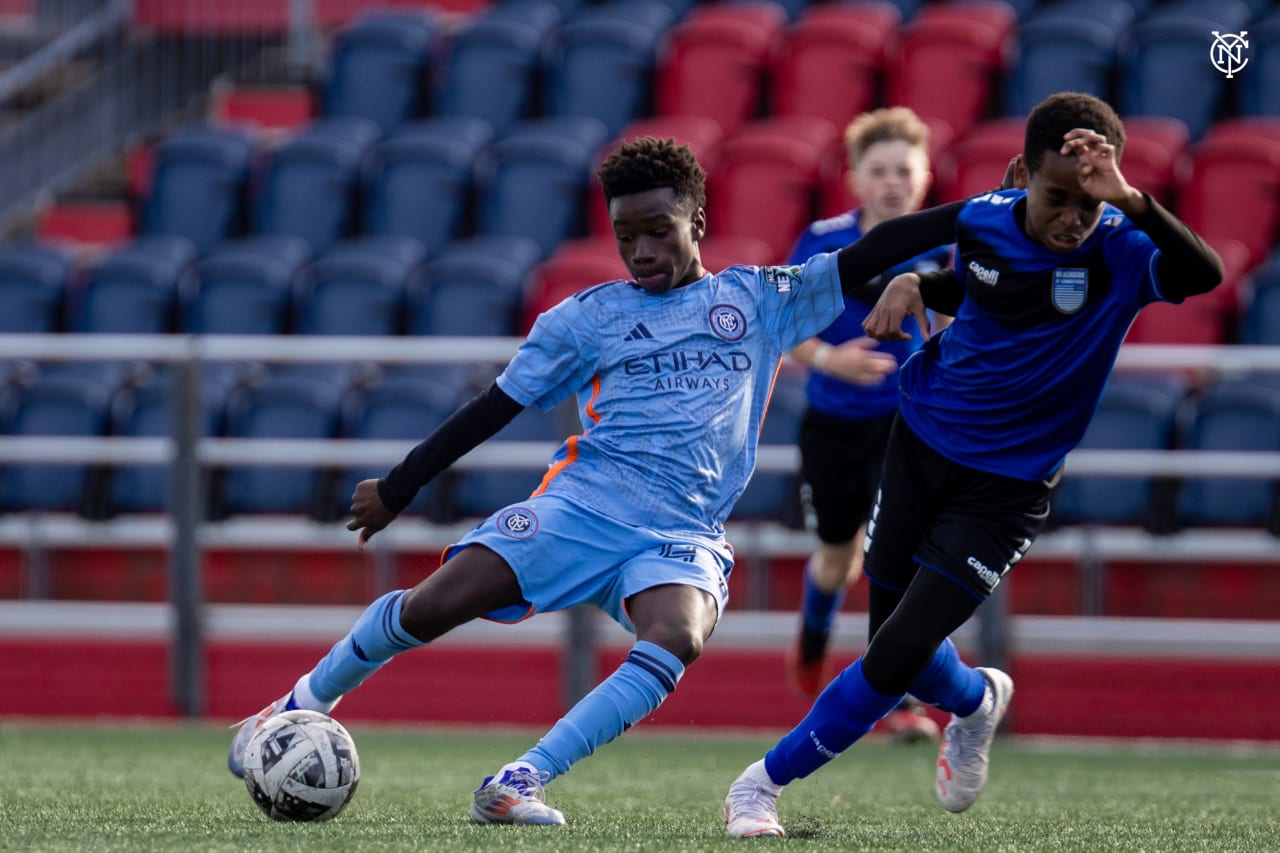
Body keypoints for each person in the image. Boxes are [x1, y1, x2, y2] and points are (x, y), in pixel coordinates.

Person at [225, 136, 959, 826]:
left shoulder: (762, 298)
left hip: (681, 531)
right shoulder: (587, 318)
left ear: (697, 220)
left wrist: (985, 216)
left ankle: (518, 780)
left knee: (678, 632)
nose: (641, 251)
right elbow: (494, 406)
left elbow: (876, 248)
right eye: (625, 235)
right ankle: (291, 706)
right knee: (432, 606)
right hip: (582, 506)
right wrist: (399, 485)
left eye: (658, 230)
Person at [722, 91, 1224, 839]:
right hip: (919, 444)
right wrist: (917, 282)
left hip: (1007, 490)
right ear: (1023, 173)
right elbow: (962, 276)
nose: (1070, 219)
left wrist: (1130, 201)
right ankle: (977, 700)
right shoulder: (982, 220)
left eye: (1088, 202)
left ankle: (760, 785)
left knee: (893, 654)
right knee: (894, 645)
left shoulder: (1118, 247)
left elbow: (1202, 273)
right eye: (1057, 196)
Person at [784, 107, 949, 744]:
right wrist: (831, 359)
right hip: (832, 425)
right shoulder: (824, 241)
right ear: (855, 178)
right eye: (878, 170)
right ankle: (813, 638)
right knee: (837, 559)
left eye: (903, 170)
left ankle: (899, 697)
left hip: (908, 429)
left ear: (925, 176)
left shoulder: (947, 246)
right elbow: (783, 324)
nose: (891, 182)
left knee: (897, 559)